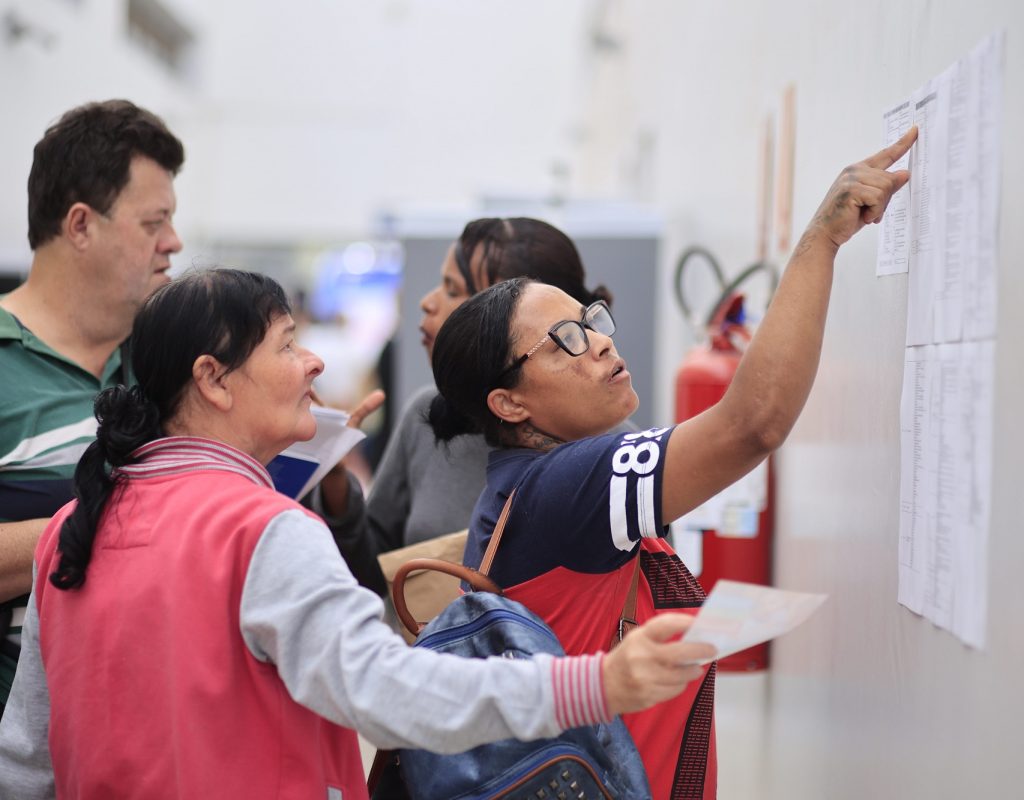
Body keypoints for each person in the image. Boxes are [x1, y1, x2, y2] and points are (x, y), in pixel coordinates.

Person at [0, 268, 716, 799]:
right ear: (214, 380)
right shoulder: (263, 531)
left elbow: (28, 762)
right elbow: (385, 688)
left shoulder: (74, 529)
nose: (315, 363)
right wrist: (595, 683)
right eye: (288, 347)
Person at [428, 130, 919, 799]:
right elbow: (753, 423)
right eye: (566, 340)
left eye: (593, 321)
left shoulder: (544, 479)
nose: (599, 343)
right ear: (510, 403)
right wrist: (822, 240)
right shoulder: (565, 486)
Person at [0, 100, 184, 711]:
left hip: (151, 743)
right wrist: (99, 524)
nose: (173, 243)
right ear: (80, 225)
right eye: (153, 223)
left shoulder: (171, 364)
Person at [320, 218, 617, 587]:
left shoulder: (619, 451)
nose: (426, 303)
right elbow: (376, 570)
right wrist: (334, 483)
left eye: (453, 289)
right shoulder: (426, 417)